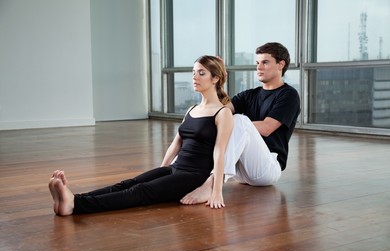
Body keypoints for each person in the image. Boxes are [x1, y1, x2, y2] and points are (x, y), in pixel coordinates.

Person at [48, 55, 233, 216]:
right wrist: (162, 171)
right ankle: (74, 198)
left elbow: (220, 153)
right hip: (175, 168)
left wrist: (216, 191)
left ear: (215, 78)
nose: (195, 77)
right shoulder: (192, 109)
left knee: (140, 191)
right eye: (193, 72)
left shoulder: (222, 113)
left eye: (201, 73)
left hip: (194, 176)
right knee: (128, 183)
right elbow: (177, 144)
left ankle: (75, 205)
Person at [181, 42, 301, 205]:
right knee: (211, 120)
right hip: (239, 170)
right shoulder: (250, 94)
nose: (259, 67)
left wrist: (232, 123)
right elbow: (219, 112)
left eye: (265, 62)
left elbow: (266, 128)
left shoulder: (289, 95)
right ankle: (179, 174)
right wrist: (218, 77)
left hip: (266, 170)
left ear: (281, 65)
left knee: (239, 121)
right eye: (257, 63)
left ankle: (211, 185)